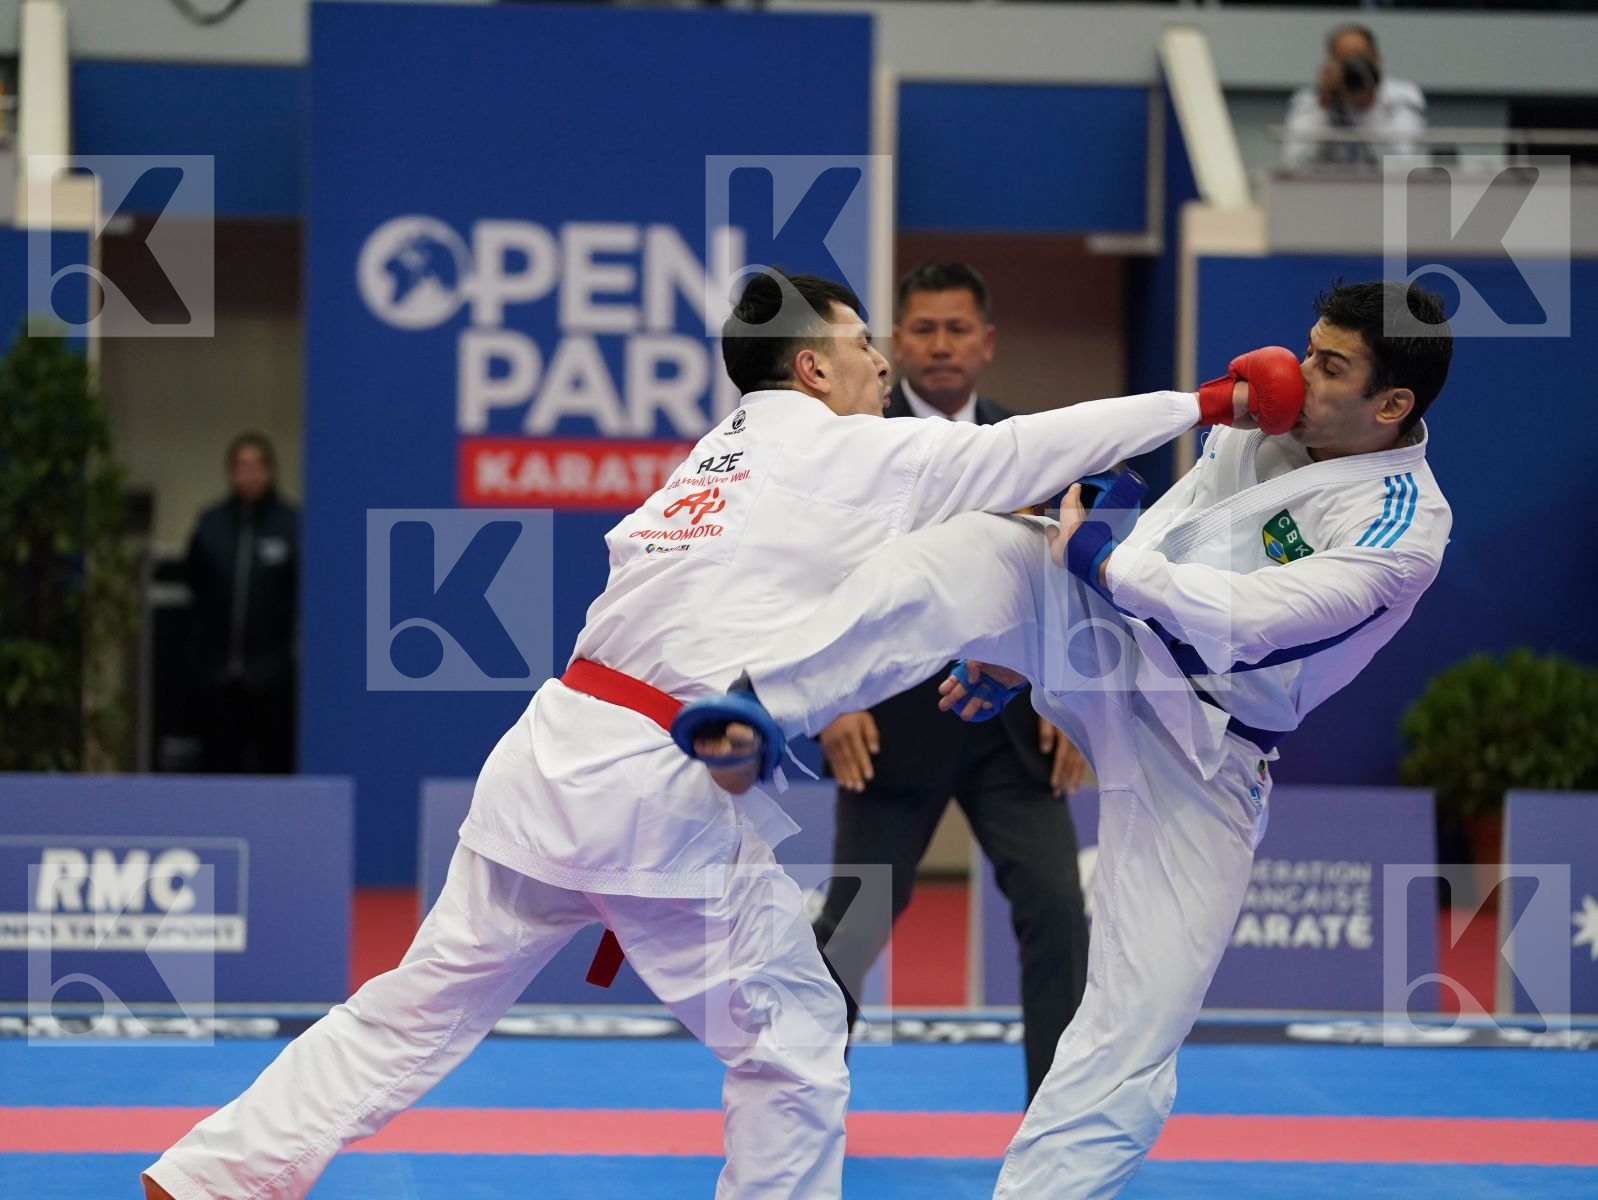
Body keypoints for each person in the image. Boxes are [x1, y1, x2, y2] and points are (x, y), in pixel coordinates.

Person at [140, 268, 1260, 1200]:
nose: (883, 362)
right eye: (865, 341)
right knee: (794, 1050)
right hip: (658, 785)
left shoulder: (720, 457)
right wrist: (1205, 404)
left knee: (406, 1010)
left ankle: (209, 1175)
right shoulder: (836, 450)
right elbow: (1020, 455)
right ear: (811, 367)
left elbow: (909, 559)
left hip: (546, 763)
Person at [678, 280, 1450, 1197]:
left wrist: (1106, 563)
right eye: (1309, 346)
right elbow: (1177, 524)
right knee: (979, 550)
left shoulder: (1402, 526)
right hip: (1111, 636)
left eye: (1331, 365)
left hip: (1206, 749)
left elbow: (1250, 620)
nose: (1298, 372)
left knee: (1134, 1034)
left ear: (1391, 405)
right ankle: (761, 703)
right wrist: (1027, 645)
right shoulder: (1257, 428)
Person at [811, 260, 1089, 1103]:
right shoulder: (856, 442)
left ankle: (1056, 1124)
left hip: (1012, 729)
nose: (939, 345)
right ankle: (797, 1102)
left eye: (957, 328)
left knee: (1059, 917)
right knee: (850, 933)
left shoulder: (1025, 445)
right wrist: (833, 700)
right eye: (923, 329)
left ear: (987, 342)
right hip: (887, 728)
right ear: (897, 343)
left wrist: (1074, 704)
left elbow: (1068, 579)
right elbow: (814, 575)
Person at [184, 432, 298, 774]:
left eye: (256, 466)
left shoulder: (291, 525)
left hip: (272, 676)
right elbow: (195, 583)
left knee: (274, 766)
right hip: (218, 675)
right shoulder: (210, 525)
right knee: (218, 766)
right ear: (231, 472)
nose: (249, 473)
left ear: (269, 471)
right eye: (242, 466)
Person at [1281, 24, 1426, 169]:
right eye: (1344, 60)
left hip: (1384, 189)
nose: (1353, 68)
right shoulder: (1311, 101)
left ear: (1377, 60)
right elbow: (1293, 163)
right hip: (1330, 188)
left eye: (1360, 59)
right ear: (1330, 64)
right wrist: (1323, 107)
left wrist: (1367, 107)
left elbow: (1404, 164)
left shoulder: (1401, 97)